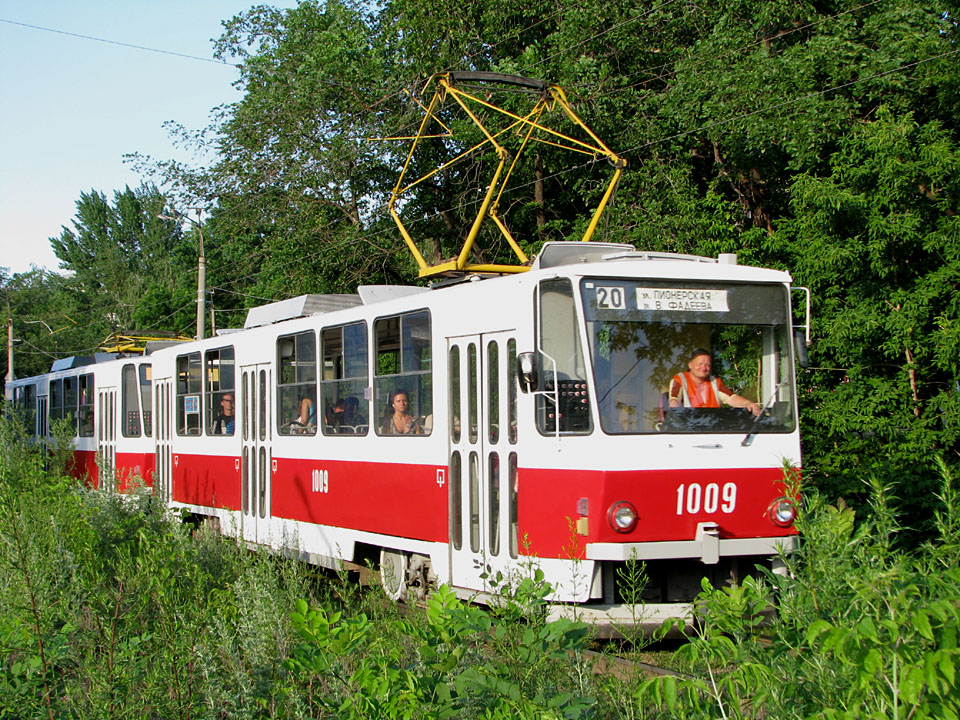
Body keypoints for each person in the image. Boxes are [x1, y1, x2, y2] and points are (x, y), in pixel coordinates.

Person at [668, 349, 761, 416]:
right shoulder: (679, 379)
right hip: (689, 427)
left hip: (714, 426)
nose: (704, 368)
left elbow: (731, 398)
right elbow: (674, 401)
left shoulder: (715, 382)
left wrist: (748, 404)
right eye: (700, 364)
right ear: (690, 365)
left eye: (707, 365)